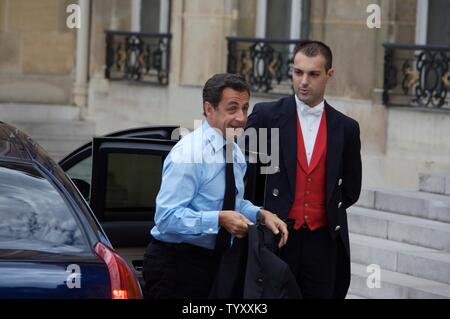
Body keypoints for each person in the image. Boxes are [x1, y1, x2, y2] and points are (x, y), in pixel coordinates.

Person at [142, 73, 289, 299]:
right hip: (175, 267)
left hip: (216, 264)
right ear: (209, 109)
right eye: (232, 108)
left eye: (245, 108)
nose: (241, 118)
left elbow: (233, 203)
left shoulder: (236, 154)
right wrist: (219, 219)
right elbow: (166, 218)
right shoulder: (189, 153)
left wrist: (260, 214)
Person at [246, 41, 362, 299]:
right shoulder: (266, 116)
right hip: (276, 238)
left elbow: (352, 189)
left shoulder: (346, 128)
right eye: (298, 72)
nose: (304, 81)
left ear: (329, 75)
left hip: (322, 243)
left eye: (313, 74)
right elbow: (243, 172)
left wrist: (327, 211)